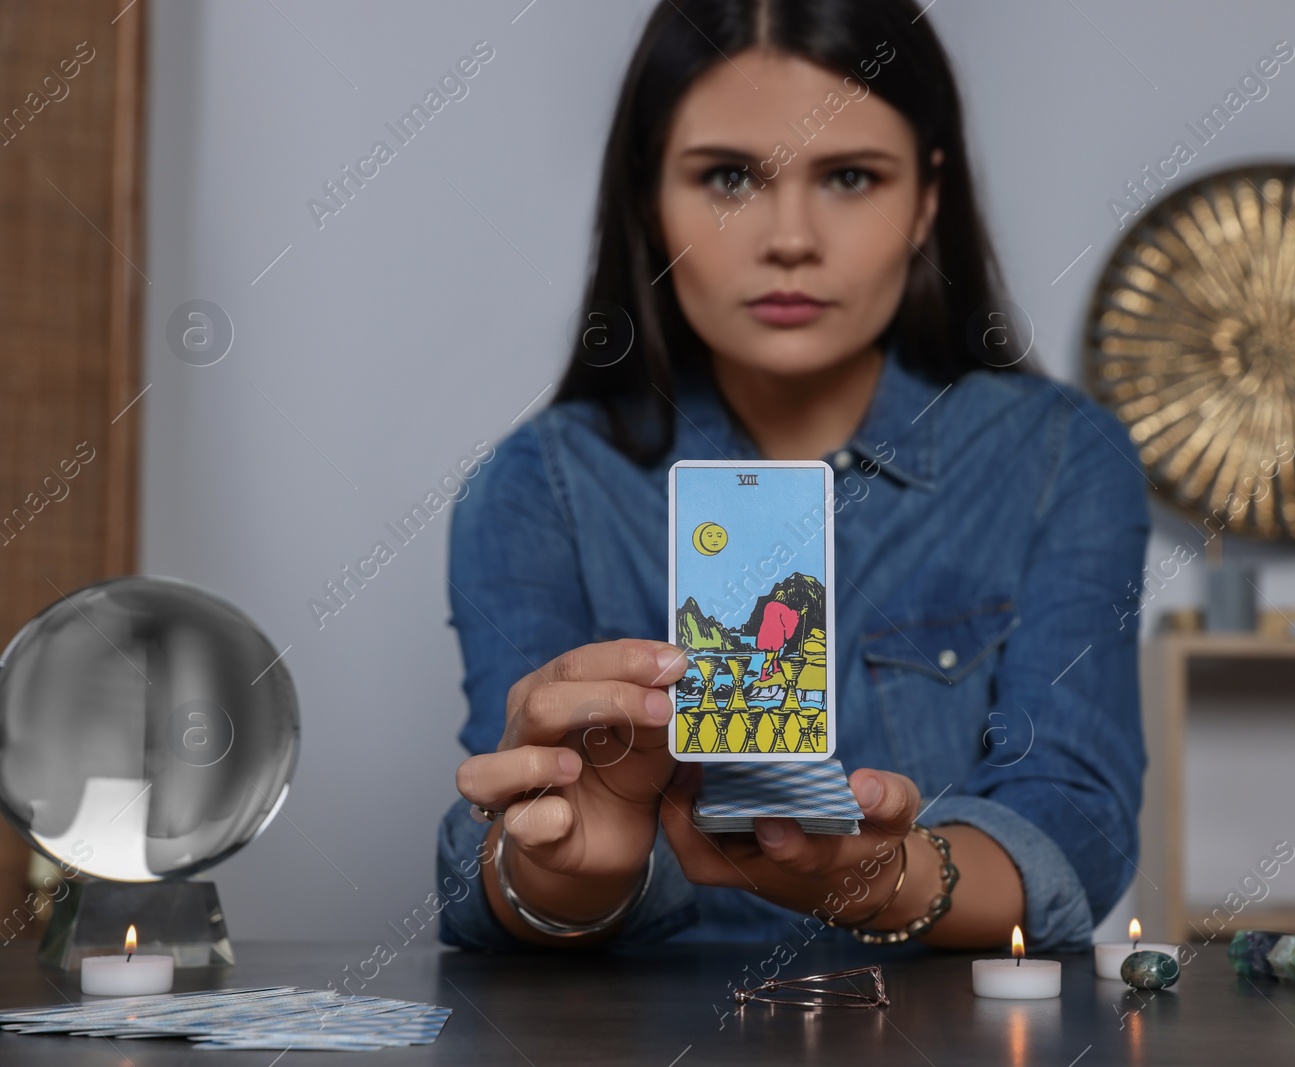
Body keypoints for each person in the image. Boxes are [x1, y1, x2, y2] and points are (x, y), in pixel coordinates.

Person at [440, 0, 1149, 954]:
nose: (790, 238)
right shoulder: (539, 485)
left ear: (926, 198)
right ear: (650, 195)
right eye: (729, 176)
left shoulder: (1063, 459)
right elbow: (493, 857)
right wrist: (575, 864)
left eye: (850, 176)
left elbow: (1077, 824)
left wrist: (882, 878)